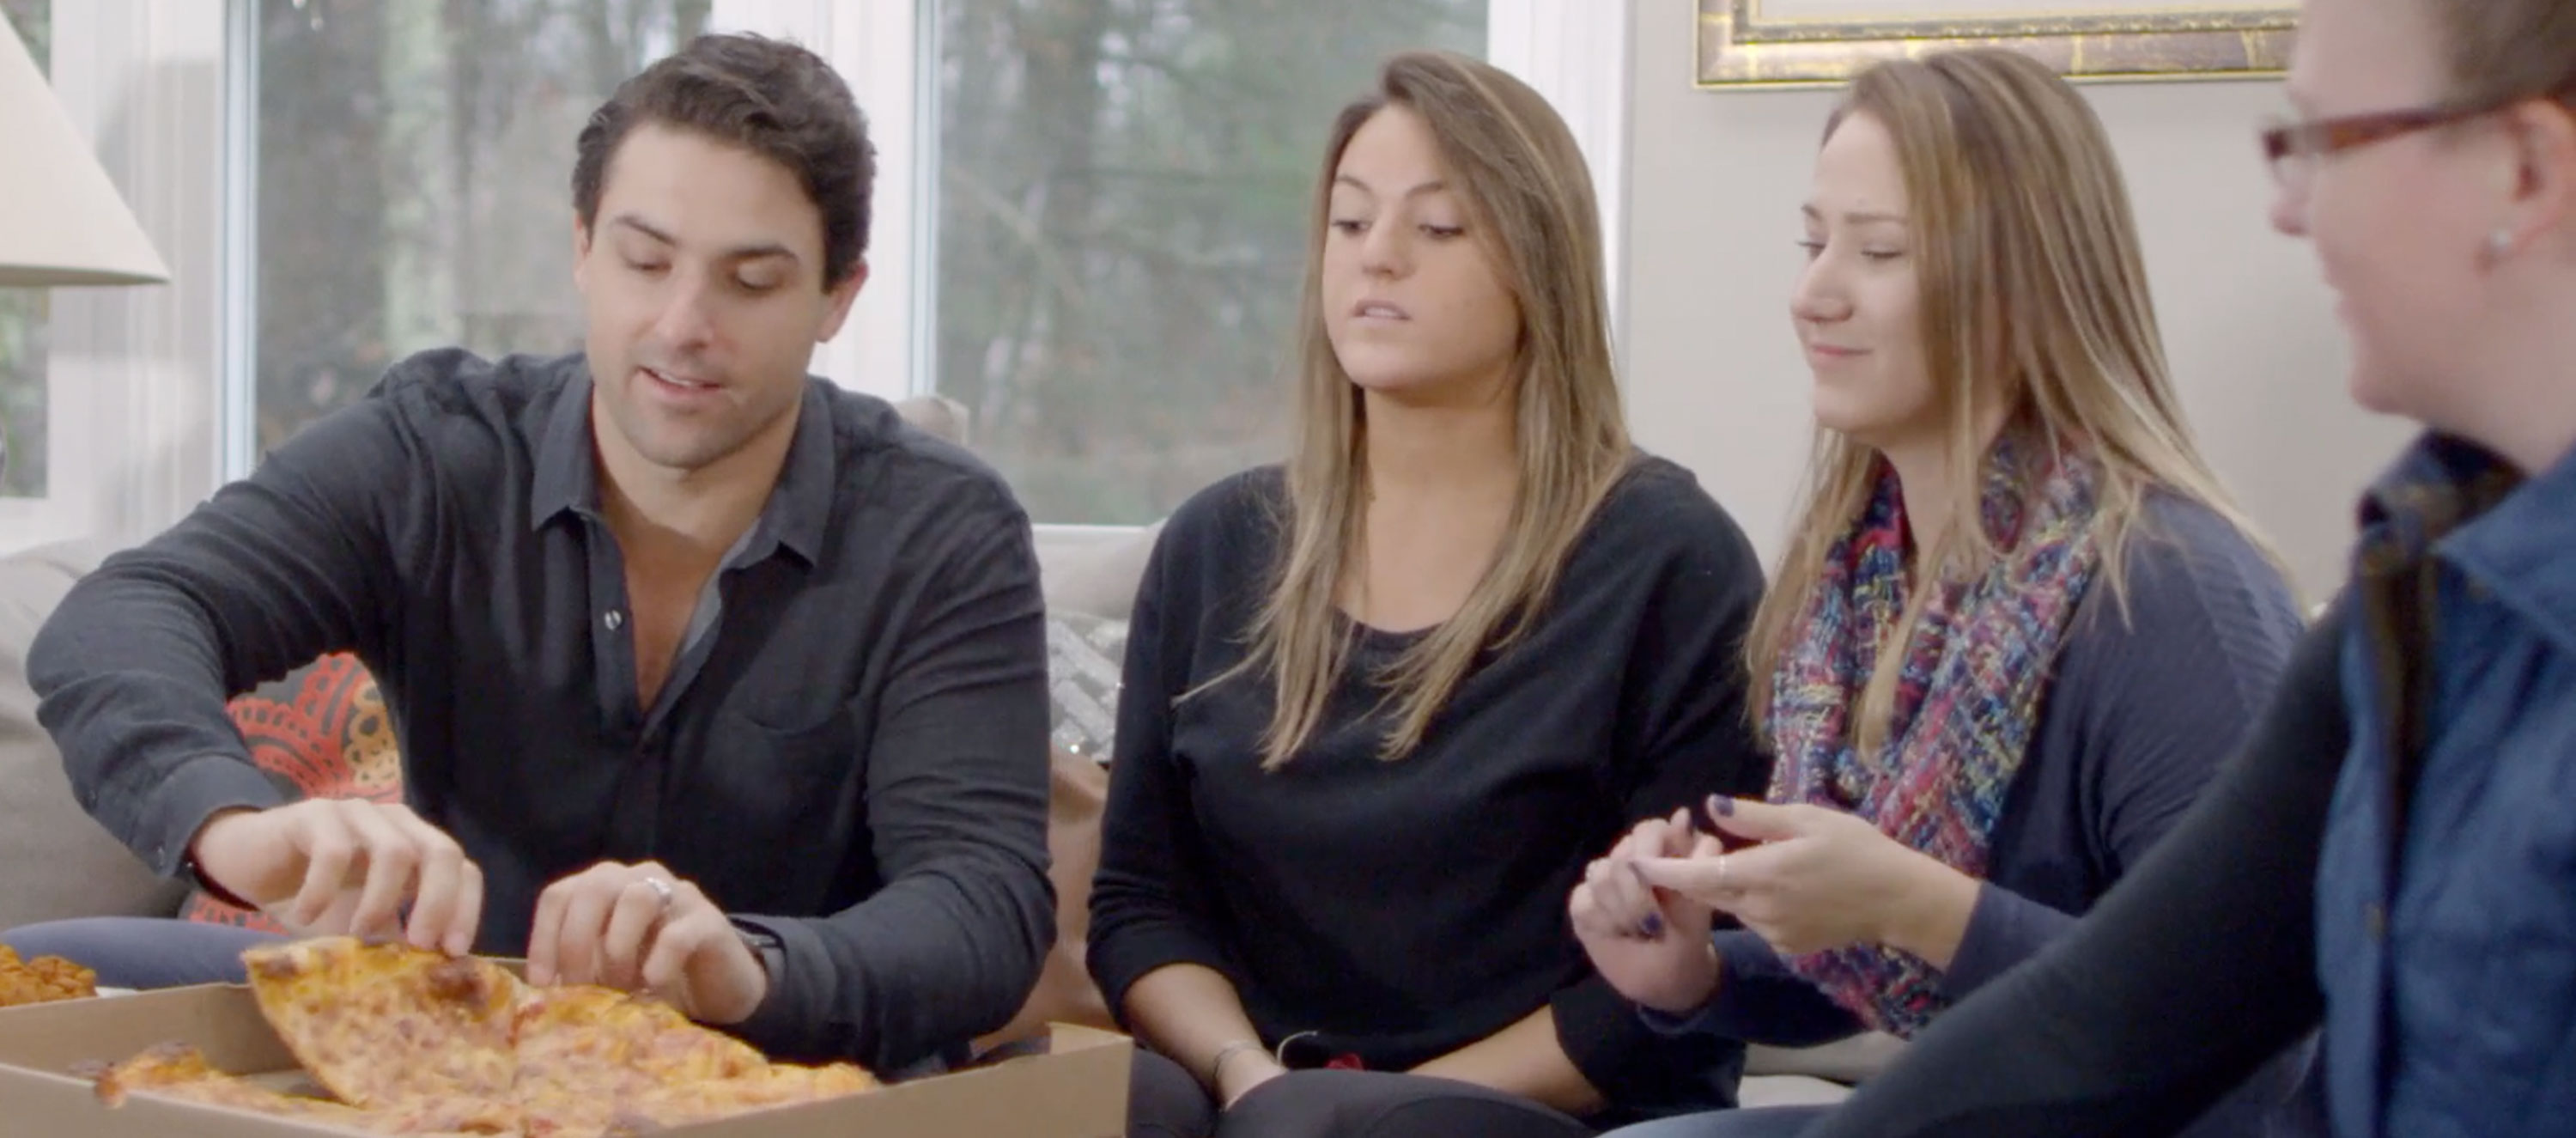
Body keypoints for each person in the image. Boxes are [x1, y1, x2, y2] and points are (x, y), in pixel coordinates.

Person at [4, 33, 1053, 1077]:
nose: (683, 324)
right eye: (646, 261)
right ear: (584, 248)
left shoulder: (940, 528)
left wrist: (750, 967)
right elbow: (126, 615)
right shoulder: (435, 449)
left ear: (837, 296)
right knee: (50, 971)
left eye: (752, 281)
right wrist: (231, 822)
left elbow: (981, 905)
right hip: (458, 1040)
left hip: (779, 1069)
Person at [1789, 0, 2576, 1134]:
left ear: (2525, 170)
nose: (2288, 208)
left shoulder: (2171, 584)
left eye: (2331, 140)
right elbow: (2121, 1013)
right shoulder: (2418, 589)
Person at [1566, 48, 2312, 1138]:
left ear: (2023, 284)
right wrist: (1692, 973)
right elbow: (1873, 969)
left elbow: (2251, 1039)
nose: (1813, 289)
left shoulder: (2169, 591)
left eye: (1879, 250)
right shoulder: (1862, 588)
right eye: (1813, 241)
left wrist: (1914, 901)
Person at [1084, 50, 1773, 1138]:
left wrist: (1363, 1107)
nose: (1380, 260)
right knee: (1082, 1097)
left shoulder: (1669, 561)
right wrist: (1241, 1071)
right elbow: (1138, 904)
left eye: (1438, 228)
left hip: (1532, 1105)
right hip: (1257, 1089)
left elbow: (1674, 976)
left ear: (1537, 264)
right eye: (1351, 224)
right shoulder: (1219, 543)